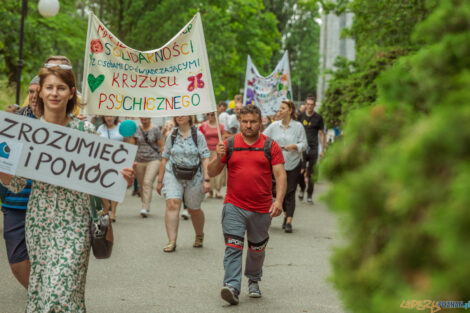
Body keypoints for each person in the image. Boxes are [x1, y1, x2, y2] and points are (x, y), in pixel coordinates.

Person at [0, 65, 134, 312]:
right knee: (42, 290)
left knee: (62, 290)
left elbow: (102, 181)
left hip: (75, 222)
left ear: (71, 93)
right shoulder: (27, 133)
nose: (54, 93)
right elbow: (15, 184)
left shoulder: (86, 131)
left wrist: (120, 179)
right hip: (39, 223)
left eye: (61, 88)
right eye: (49, 87)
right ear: (40, 92)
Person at [208, 105, 287, 305]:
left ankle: (253, 279)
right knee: (233, 247)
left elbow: (280, 174)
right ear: (239, 122)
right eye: (245, 122)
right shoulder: (229, 144)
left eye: (253, 121)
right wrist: (218, 157)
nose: (249, 125)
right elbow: (212, 172)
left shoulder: (271, 145)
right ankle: (232, 287)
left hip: (261, 208)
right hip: (234, 206)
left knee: (256, 249)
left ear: (260, 122)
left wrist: (278, 201)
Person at [0, 75, 40, 290]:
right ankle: (40, 294)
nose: (33, 96)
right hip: (15, 200)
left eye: (38, 91)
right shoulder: (13, 121)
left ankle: (44, 298)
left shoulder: (62, 123)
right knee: (16, 260)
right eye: (30, 91)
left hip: (45, 203)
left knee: (43, 257)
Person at [156, 115, 211, 252]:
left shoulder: (198, 135)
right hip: (173, 174)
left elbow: (205, 158)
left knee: (193, 208)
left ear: (190, 117)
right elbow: (164, 158)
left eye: (183, 114)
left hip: (194, 176)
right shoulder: (172, 135)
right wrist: (159, 180)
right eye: (178, 114)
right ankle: (172, 241)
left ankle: (199, 235)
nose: (180, 116)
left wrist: (206, 179)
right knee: (172, 203)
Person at [264, 100, 307, 233]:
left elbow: (304, 144)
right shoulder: (273, 126)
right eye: (279, 108)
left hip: (293, 163)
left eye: (283, 108)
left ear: (290, 110)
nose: (280, 111)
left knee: (290, 191)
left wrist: (295, 146)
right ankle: (284, 212)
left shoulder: (298, 126)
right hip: (276, 165)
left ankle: (289, 220)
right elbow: (262, 138)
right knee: (277, 191)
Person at [128, 117, 164, 217]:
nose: (144, 120)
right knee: (141, 184)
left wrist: (163, 160)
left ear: (150, 118)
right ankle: (144, 203)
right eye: (142, 118)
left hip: (153, 160)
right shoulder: (136, 129)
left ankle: (145, 207)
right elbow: (131, 145)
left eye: (146, 118)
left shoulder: (155, 129)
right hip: (139, 161)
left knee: (147, 182)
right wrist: (130, 160)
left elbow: (162, 145)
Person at [297, 96, 326, 203]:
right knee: (301, 171)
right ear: (305, 104)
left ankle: (309, 194)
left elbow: (322, 134)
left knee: (312, 173)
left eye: (311, 104)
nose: (309, 106)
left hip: (313, 147)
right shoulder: (300, 116)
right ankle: (302, 188)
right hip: (303, 147)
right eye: (308, 104)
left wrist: (323, 149)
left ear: (314, 105)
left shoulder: (318, 118)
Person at [97, 116, 124, 222]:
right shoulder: (101, 128)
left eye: (111, 116)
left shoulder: (121, 127)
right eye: (107, 116)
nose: (109, 118)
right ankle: (106, 206)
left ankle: (113, 211)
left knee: (116, 186)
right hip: (104, 159)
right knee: (102, 184)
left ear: (115, 117)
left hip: (119, 159)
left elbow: (128, 141)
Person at [199, 112, 226, 198]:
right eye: (209, 115)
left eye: (212, 115)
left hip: (217, 150)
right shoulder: (203, 125)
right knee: (208, 170)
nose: (211, 116)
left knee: (218, 170)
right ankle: (210, 191)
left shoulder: (220, 126)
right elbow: (200, 137)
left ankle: (218, 190)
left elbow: (223, 137)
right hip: (206, 150)